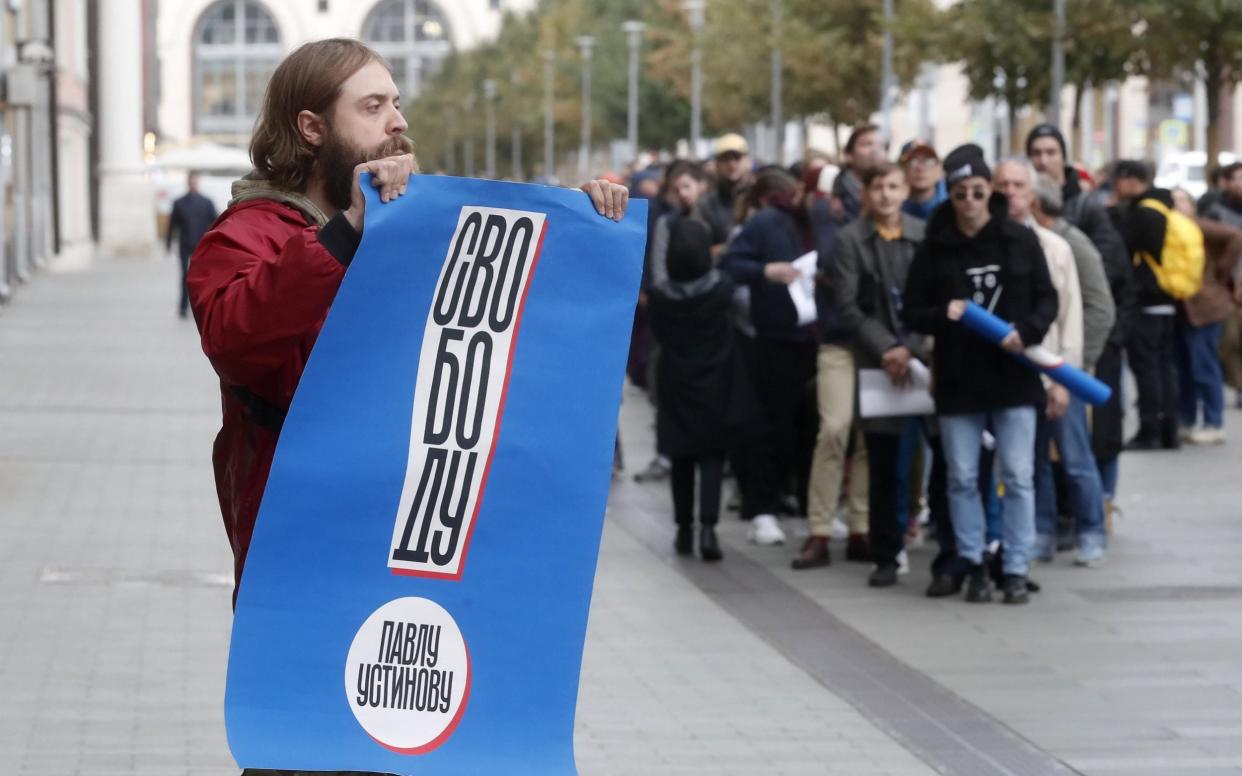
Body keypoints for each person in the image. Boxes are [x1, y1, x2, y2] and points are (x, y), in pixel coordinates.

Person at [188, 38, 629, 613]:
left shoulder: (422, 222)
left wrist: (589, 229)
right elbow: (233, 338)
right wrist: (345, 232)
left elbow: (512, 327)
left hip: (418, 529)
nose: (397, 122)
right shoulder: (248, 233)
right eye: (372, 108)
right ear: (312, 127)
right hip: (307, 536)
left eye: (395, 103)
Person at [902, 145, 1058, 605]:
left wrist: (1025, 332)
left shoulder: (1018, 238)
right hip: (959, 378)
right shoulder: (936, 245)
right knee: (963, 475)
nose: (970, 200)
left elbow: (1047, 299)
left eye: (977, 191)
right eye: (960, 193)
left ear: (990, 191)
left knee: (1018, 474)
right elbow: (911, 309)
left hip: (1012, 375)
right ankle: (971, 560)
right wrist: (942, 314)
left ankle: (1014, 564)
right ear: (949, 195)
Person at [995, 159, 1110, 567]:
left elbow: (1072, 316)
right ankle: (1040, 531)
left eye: (1018, 185)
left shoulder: (1056, 246)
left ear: (1033, 194)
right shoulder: (990, 245)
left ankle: (1092, 529)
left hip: (1057, 367)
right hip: (1014, 375)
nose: (1009, 192)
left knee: (1076, 457)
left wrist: (1066, 376)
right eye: (1002, 184)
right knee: (1033, 460)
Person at [826, 162, 931, 585]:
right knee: (883, 461)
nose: (886, 195)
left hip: (924, 357)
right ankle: (886, 551)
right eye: (878, 187)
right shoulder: (850, 239)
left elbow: (936, 297)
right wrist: (888, 348)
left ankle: (939, 539)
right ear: (865, 193)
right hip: (878, 363)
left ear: (905, 190)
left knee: (932, 453)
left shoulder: (923, 236)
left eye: (893, 186)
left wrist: (914, 347)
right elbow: (848, 305)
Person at [649, 218, 762, 561]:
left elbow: (656, 335)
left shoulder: (659, 297)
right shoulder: (722, 290)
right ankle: (709, 530)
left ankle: (684, 529)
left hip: (676, 382)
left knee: (680, 455)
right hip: (717, 382)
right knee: (712, 454)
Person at [721, 168, 819, 546]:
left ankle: (808, 508)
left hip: (813, 340)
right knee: (771, 426)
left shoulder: (821, 223)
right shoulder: (766, 223)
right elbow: (732, 265)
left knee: (809, 428)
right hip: (774, 340)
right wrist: (767, 271)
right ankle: (763, 508)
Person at [794, 161, 871, 568]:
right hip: (839, 342)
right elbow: (829, 261)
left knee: (866, 438)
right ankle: (820, 528)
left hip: (873, 346)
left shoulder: (883, 227)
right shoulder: (829, 221)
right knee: (834, 429)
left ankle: (860, 525)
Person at [1110, 160, 1183, 450]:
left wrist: (1114, 213)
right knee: (1165, 366)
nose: (1116, 185)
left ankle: (1150, 429)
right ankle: (1170, 429)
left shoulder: (1144, 213)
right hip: (1167, 299)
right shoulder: (1166, 207)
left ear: (1131, 180)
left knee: (1147, 367)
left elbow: (1123, 249)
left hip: (1147, 300)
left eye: (1119, 179)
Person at [1174, 185, 1242, 445]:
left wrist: (1220, 272)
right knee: (1185, 368)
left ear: (1192, 206)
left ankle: (1214, 422)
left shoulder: (1198, 225)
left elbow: (1236, 237)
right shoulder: (1173, 228)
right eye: (1174, 201)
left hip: (1205, 306)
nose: (1178, 205)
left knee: (1204, 366)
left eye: (1183, 201)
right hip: (1183, 307)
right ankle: (1187, 420)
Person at [166, 171, 218, 318]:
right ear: (188, 182)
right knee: (184, 275)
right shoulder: (179, 202)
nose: (193, 184)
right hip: (185, 243)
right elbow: (172, 225)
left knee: (201, 277)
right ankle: (183, 306)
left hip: (201, 244)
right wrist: (168, 243)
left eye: (196, 181)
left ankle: (200, 306)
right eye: (192, 181)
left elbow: (215, 222)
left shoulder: (207, 202)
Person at [831, 124, 885, 224]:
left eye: (880, 145)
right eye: (866, 144)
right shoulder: (834, 201)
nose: (874, 149)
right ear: (849, 155)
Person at [707, 133, 754, 231]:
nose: (731, 164)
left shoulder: (759, 197)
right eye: (725, 159)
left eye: (737, 158)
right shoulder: (707, 204)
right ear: (717, 164)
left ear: (748, 161)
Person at [899, 141, 947, 221]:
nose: (920, 168)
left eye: (928, 161)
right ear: (902, 169)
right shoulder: (893, 207)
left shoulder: (955, 205)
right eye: (913, 161)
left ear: (939, 169)